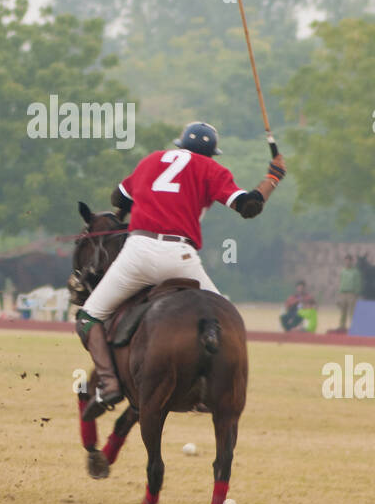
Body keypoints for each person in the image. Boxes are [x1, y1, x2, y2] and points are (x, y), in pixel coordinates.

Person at [75, 121, 285, 420]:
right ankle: (208, 385)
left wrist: (144, 200)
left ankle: (108, 383)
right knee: (224, 318)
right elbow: (249, 206)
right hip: (180, 256)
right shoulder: (212, 170)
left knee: (88, 316)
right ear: (212, 153)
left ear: (179, 145)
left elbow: (117, 198)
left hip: (137, 253)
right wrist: (273, 177)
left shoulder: (151, 160)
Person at [336, 255, 360, 331]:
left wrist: (356, 293)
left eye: (349, 261)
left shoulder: (355, 272)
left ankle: (353, 326)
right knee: (343, 310)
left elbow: (358, 283)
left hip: (351, 293)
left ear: (351, 261)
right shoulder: (343, 271)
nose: (347, 262)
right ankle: (342, 326)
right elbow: (340, 282)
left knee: (352, 311)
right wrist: (339, 293)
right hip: (343, 293)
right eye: (346, 260)